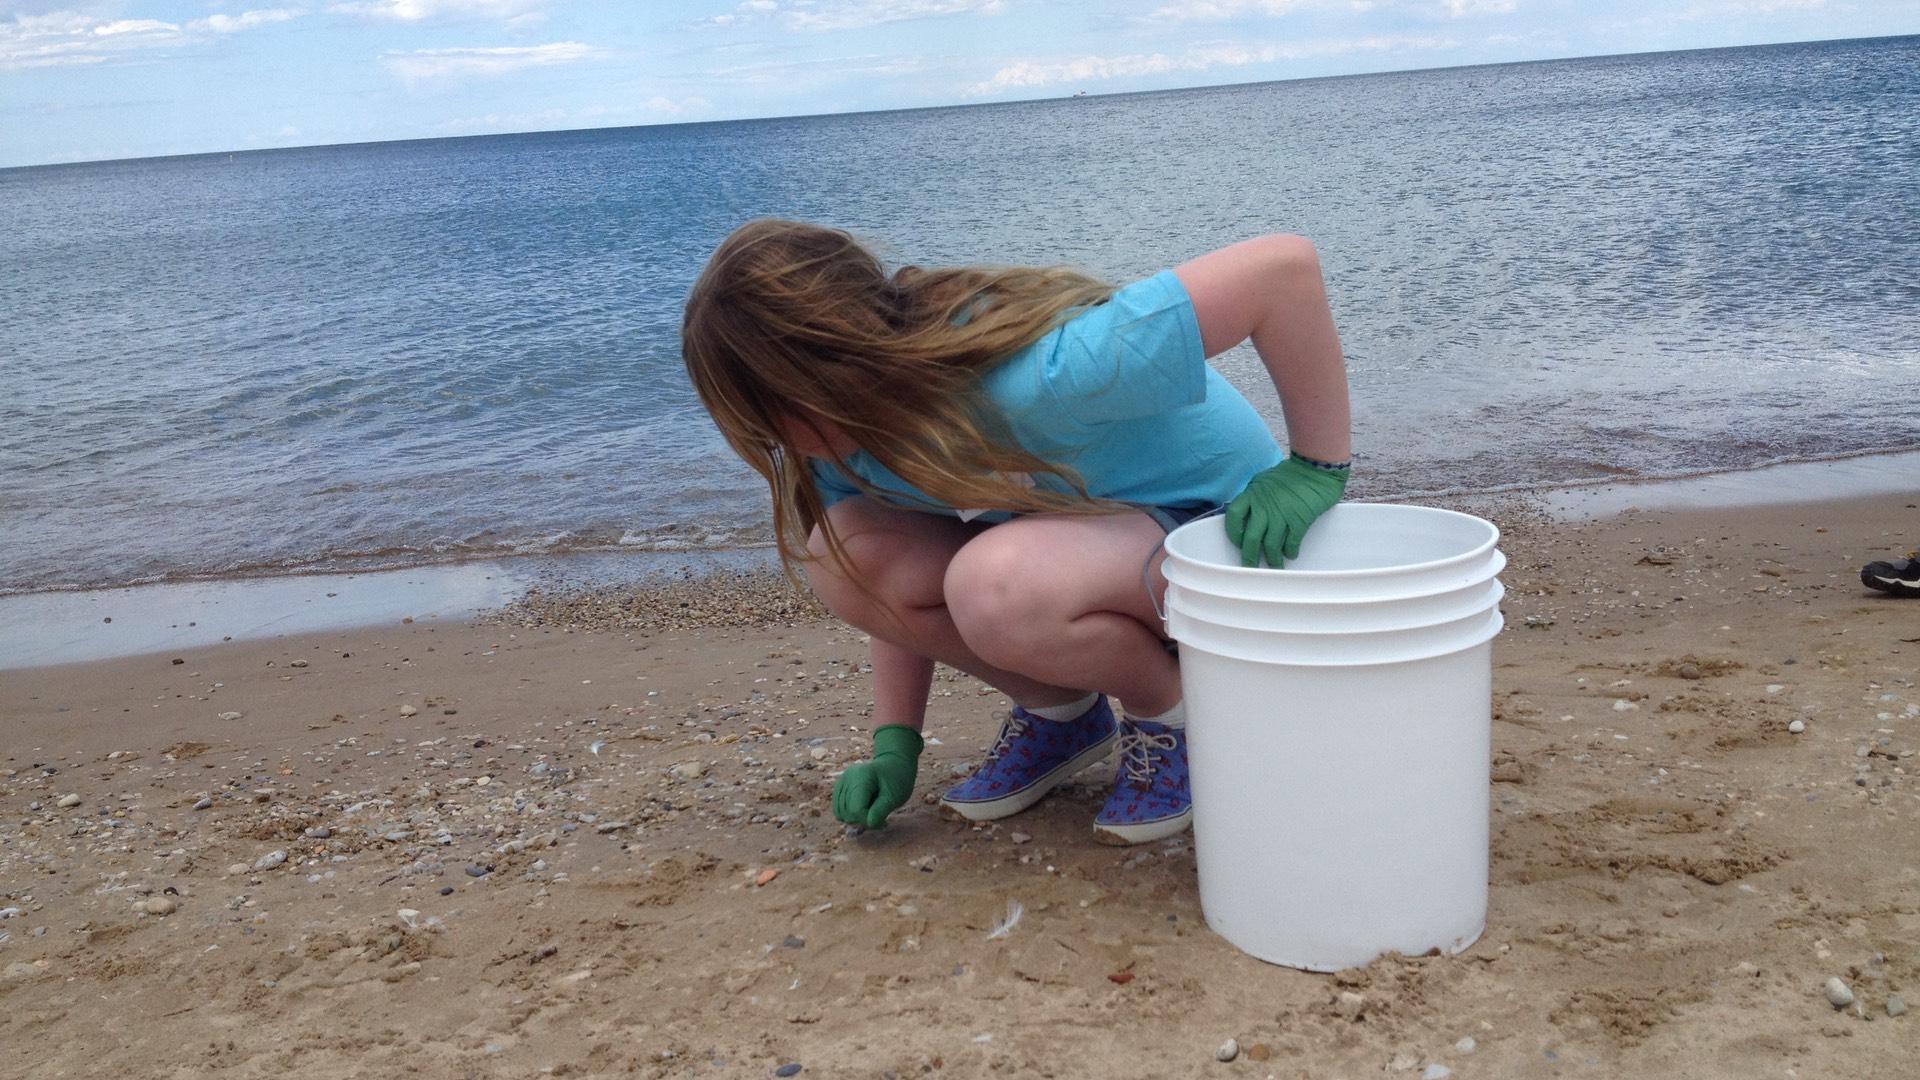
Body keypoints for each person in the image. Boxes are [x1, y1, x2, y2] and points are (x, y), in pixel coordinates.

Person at [680, 220, 1351, 845]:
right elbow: (875, 589)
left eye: (771, 414)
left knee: (994, 584)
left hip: (1237, 548)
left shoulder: (1036, 376)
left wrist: (1315, 467)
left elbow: (1281, 271)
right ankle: (1060, 716)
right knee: (841, 550)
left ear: (834, 371)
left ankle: (1170, 717)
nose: (768, 440)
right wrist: (896, 741)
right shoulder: (846, 444)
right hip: (1112, 558)